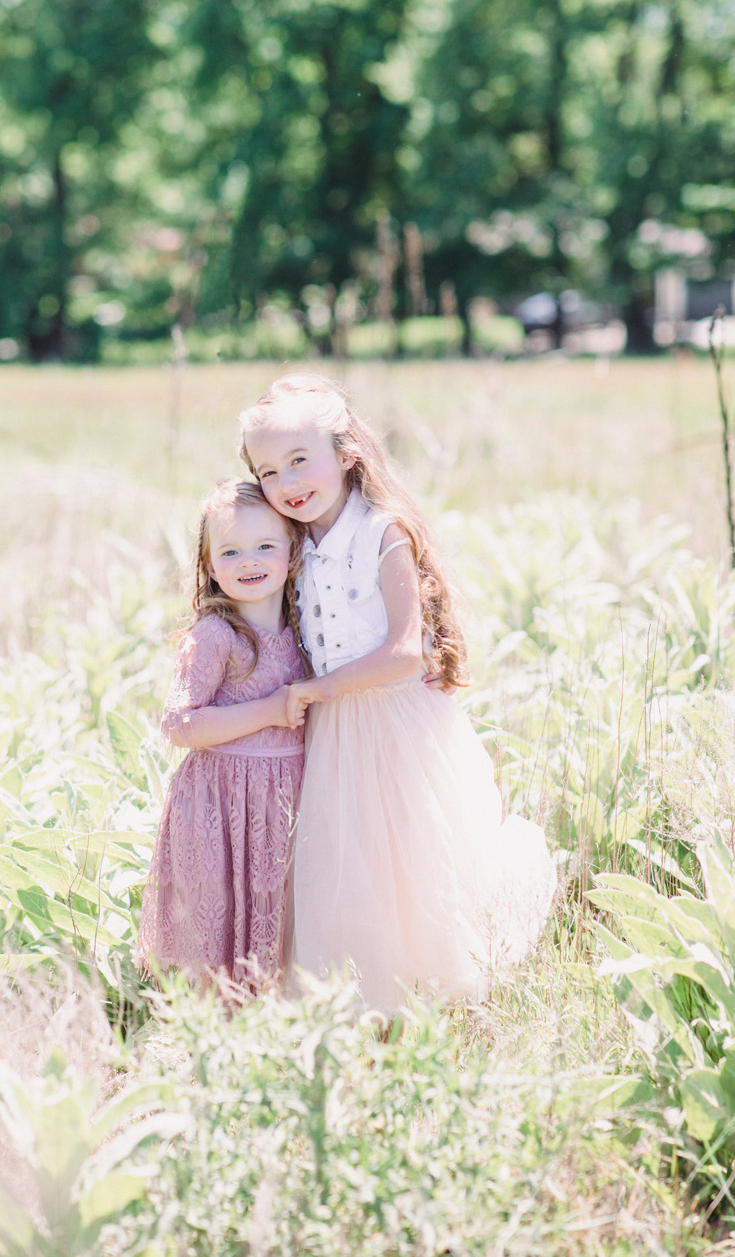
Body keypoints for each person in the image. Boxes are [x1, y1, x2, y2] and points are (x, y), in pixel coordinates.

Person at [239, 374, 556, 1014]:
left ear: (346, 453)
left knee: (415, 859)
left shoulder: (384, 533)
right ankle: (364, 997)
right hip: (336, 730)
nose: (287, 483)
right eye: (269, 472)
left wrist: (318, 687)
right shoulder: (299, 545)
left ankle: (437, 988)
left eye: (300, 460)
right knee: (346, 862)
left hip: (397, 723)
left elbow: (403, 652)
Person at [137, 479, 306, 989]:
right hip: (221, 807)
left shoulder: (303, 630)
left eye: (264, 547)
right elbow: (179, 724)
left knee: (278, 931)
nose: (248, 561)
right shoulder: (215, 636)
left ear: (292, 551)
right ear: (210, 567)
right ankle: (219, 1048)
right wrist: (270, 710)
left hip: (282, 804)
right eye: (230, 551)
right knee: (223, 941)